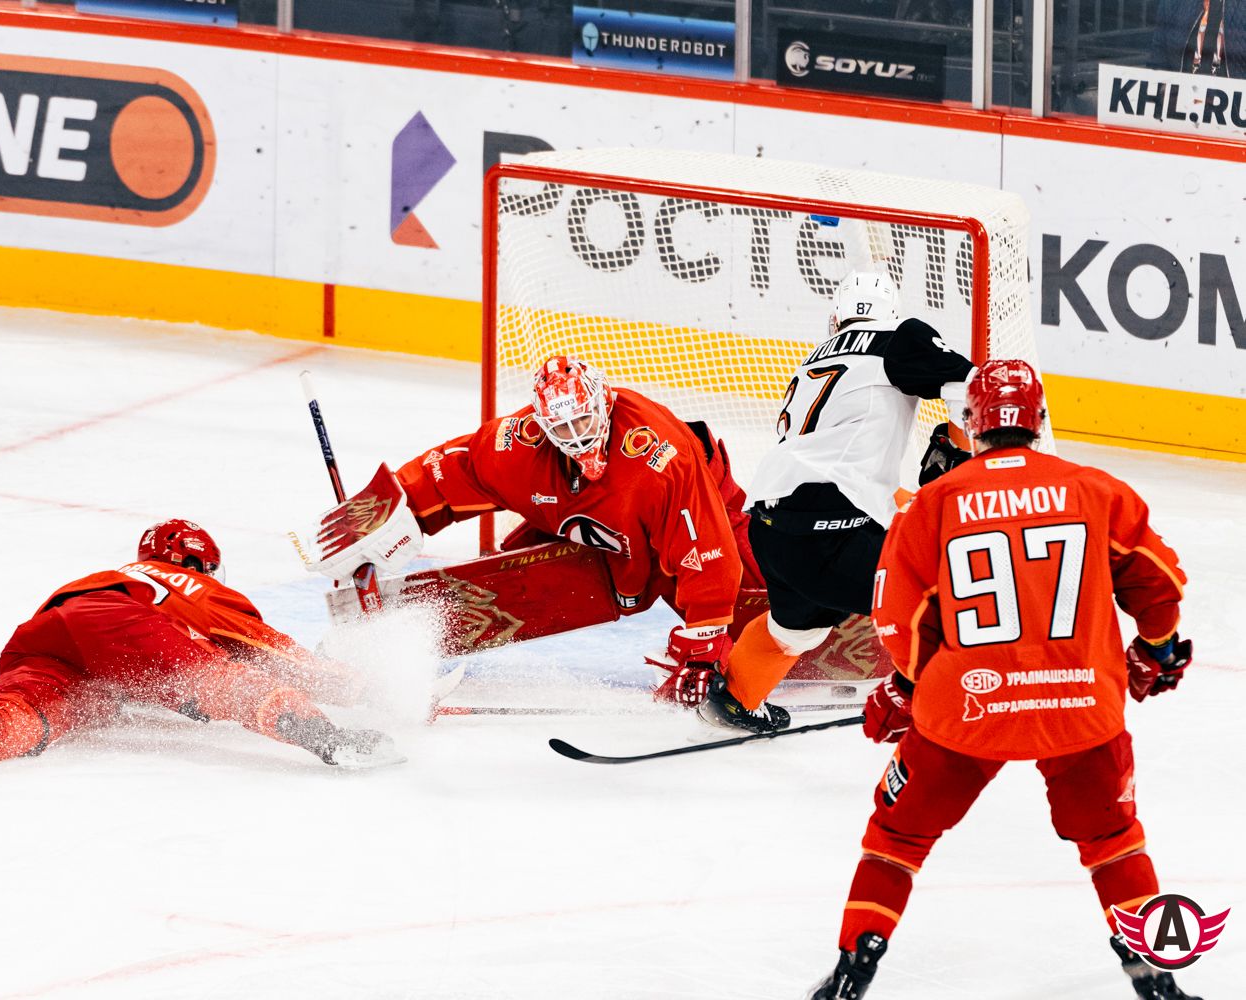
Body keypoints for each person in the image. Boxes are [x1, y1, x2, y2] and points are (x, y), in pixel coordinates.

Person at [811, 360, 1198, 1000]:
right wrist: (1156, 649)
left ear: (971, 422)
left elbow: (902, 624)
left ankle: (854, 970)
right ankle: (1155, 978)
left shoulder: (932, 504)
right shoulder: (1096, 490)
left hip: (965, 712)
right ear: (1040, 420)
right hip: (1081, 708)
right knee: (1113, 840)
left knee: (897, 837)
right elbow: (1159, 587)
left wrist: (908, 690)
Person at [307, 353, 788, 731]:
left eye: (583, 421)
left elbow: (708, 551)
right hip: (600, 530)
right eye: (562, 428)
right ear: (542, 425)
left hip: (699, 516)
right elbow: (457, 468)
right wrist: (389, 510)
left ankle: (807, 623)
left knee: (772, 603)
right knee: (522, 575)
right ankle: (377, 636)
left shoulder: (661, 457)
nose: (577, 437)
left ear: (603, 401)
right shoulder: (518, 445)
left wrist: (702, 647)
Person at [0, 519, 401, 786]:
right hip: (117, 626)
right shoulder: (184, 582)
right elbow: (258, 647)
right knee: (219, 680)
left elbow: (93, 642)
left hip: (43, 639)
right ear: (195, 563)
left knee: (21, 722)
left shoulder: (113, 574)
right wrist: (356, 686)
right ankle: (326, 738)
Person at [714, 271, 977, 733]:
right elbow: (971, 386)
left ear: (837, 318)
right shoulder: (900, 336)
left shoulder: (815, 358)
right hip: (832, 525)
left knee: (794, 629)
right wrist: (960, 456)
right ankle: (948, 700)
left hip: (771, 526)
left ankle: (734, 700)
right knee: (943, 591)